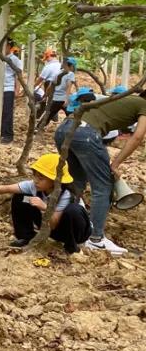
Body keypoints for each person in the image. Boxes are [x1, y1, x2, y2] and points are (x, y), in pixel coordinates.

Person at [54, 88, 146, 255]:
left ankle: (65, 228)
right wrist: (115, 164)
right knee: (103, 186)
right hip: (85, 133)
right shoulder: (143, 105)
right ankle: (96, 239)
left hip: (64, 128)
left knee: (76, 183)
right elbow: (138, 137)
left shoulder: (127, 99)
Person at [0, 153, 90, 253]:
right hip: (50, 229)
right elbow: (6, 188)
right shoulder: (34, 186)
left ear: (55, 181)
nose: (36, 181)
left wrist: (44, 207)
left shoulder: (67, 194)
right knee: (21, 197)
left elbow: (54, 224)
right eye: (35, 176)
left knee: (73, 210)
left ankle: (71, 247)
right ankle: (26, 237)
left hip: (71, 230)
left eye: (41, 178)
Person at [37, 58, 76, 130]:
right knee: (71, 114)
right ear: (71, 66)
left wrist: (46, 95)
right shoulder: (71, 74)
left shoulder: (57, 73)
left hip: (55, 99)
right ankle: (74, 129)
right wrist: (66, 99)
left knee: (49, 115)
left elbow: (50, 86)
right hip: (63, 99)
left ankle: (38, 128)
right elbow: (68, 87)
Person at [0, 47, 22, 143]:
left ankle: (8, 135)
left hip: (8, 88)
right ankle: (1, 132)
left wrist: (17, 89)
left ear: (9, 46)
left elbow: (18, 74)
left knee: (7, 112)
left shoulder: (14, 60)